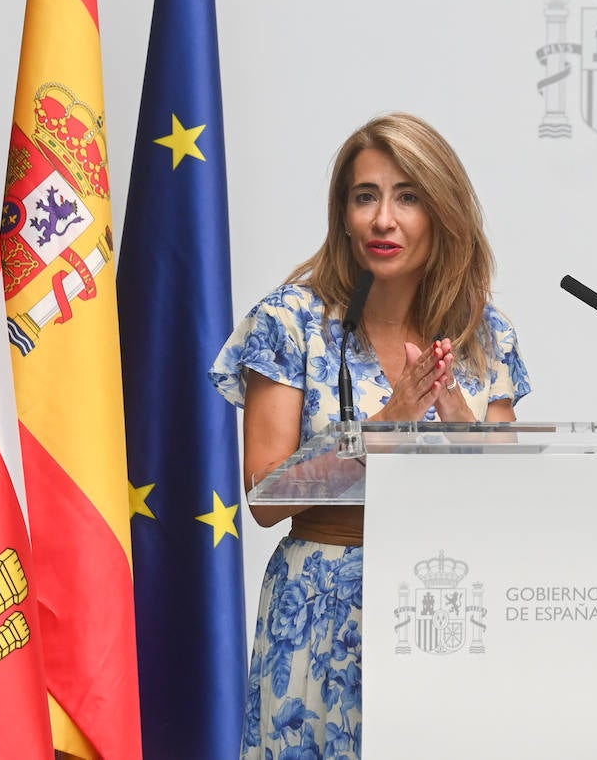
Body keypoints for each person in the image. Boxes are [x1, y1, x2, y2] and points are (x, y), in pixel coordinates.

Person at [209, 112, 531, 760]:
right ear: (344, 214)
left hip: (441, 604)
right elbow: (266, 498)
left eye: (407, 196)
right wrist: (386, 425)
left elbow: (505, 498)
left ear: (441, 211)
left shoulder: (484, 334)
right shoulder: (290, 322)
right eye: (366, 196)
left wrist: (455, 412)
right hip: (315, 607)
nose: (384, 218)